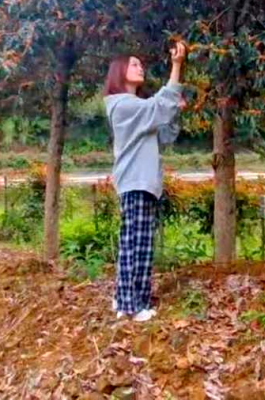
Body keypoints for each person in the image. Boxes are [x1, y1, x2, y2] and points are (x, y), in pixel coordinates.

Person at [103, 42, 187, 321]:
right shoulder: (122, 105)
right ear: (120, 72)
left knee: (136, 243)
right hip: (136, 182)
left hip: (142, 182)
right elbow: (159, 106)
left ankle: (123, 298)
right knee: (136, 245)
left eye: (141, 64)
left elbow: (165, 135)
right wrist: (177, 66)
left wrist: (174, 109)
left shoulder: (138, 108)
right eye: (134, 64)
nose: (141, 68)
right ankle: (132, 306)